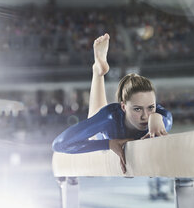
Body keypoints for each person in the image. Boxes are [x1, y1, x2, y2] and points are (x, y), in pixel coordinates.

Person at [52, 33, 173, 173]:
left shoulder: (159, 117)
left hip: (113, 123)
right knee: (96, 113)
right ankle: (97, 71)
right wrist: (108, 143)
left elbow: (165, 118)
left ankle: (98, 70)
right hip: (103, 131)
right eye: (137, 109)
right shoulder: (111, 117)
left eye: (151, 107)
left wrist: (158, 118)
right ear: (123, 107)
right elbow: (59, 145)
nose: (145, 116)